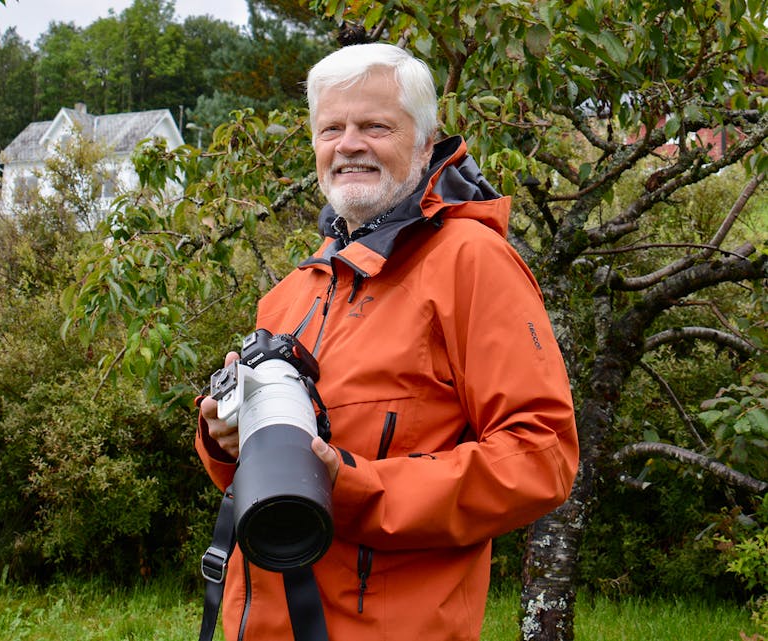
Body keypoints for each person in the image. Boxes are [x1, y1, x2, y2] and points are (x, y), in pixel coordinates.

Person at [196, 42, 579, 641]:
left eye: (376, 126)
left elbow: (542, 456)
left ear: (427, 144)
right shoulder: (292, 293)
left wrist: (355, 488)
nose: (350, 144)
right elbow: (269, 483)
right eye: (332, 128)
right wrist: (223, 439)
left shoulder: (471, 263)